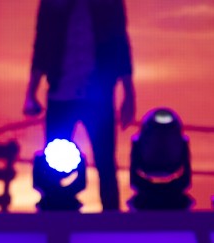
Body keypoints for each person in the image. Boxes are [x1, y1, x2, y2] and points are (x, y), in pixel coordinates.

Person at [23, 0, 136, 211]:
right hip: (62, 95)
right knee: (55, 167)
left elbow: (120, 44)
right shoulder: (52, 4)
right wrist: (31, 92)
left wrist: (129, 94)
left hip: (98, 97)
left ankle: (111, 221)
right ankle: (56, 220)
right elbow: (42, 46)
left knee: (105, 164)